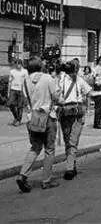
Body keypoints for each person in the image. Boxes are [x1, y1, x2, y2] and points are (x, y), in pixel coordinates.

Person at [16, 57, 60, 192]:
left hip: (33, 118)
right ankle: (46, 180)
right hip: (48, 117)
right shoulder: (48, 78)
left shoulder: (25, 81)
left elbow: (25, 100)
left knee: (35, 147)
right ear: (40, 66)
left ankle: (23, 174)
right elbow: (56, 97)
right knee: (49, 149)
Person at [57, 60, 93, 180]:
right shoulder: (61, 80)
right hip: (65, 113)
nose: (74, 73)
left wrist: (86, 107)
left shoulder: (79, 80)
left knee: (72, 140)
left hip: (77, 113)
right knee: (68, 140)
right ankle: (72, 163)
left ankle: (69, 168)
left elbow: (89, 92)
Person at [8, 59, 29, 126]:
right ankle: (16, 117)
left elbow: (27, 82)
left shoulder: (25, 71)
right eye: (17, 63)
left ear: (21, 64)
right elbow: (9, 82)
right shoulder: (12, 71)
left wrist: (27, 92)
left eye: (19, 63)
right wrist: (8, 92)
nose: (18, 65)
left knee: (20, 106)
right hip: (13, 89)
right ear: (15, 64)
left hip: (21, 90)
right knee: (10, 104)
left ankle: (18, 120)